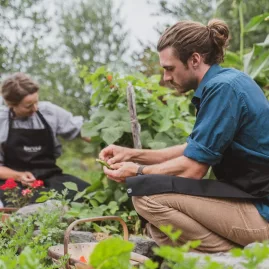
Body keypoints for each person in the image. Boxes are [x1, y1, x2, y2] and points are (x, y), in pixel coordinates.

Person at [99, 19, 269, 253]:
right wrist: (131, 153)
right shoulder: (226, 82)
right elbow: (193, 149)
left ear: (195, 59)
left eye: (169, 68)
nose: (166, 77)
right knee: (160, 229)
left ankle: (238, 258)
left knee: (147, 198)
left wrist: (137, 172)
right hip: (250, 202)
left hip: (262, 212)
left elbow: (193, 169)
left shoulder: (223, 89)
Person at [0, 72, 90, 204]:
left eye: (36, 102)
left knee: (88, 195)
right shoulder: (2, 121)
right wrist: (18, 176)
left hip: (50, 176)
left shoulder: (49, 112)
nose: (35, 108)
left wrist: (109, 141)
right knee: (22, 206)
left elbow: (83, 130)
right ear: (11, 104)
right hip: (14, 180)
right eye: (28, 106)